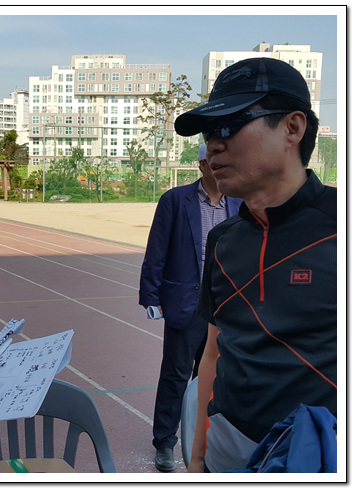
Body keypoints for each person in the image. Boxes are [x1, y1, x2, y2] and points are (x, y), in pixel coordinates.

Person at [174, 57, 336, 472]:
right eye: (209, 132)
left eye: (229, 125)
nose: (213, 145)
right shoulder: (223, 241)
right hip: (226, 456)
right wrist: (198, 459)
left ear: (293, 128)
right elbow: (213, 353)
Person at [139, 144, 241, 472]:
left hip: (224, 307)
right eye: (214, 160)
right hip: (186, 304)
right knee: (176, 375)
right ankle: (164, 442)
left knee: (212, 380)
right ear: (201, 165)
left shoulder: (239, 202)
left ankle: (204, 441)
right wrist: (151, 297)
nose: (221, 166)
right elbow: (157, 249)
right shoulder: (175, 200)